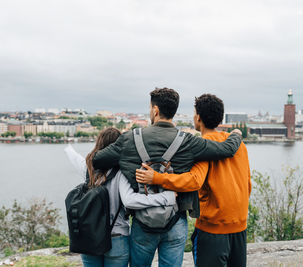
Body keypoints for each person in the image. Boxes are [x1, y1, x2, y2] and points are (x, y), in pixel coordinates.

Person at [92, 88, 243, 267]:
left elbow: (97, 160)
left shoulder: (129, 139)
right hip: (175, 220)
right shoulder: (189, 141)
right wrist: (236, 135)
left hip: (143, 222)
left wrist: (128, 165)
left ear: (155, 110)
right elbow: (226, 150)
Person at [136, 93, 251, 267]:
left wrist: (157, 178)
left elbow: (193, 181)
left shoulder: (203, 146)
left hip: (212, 228)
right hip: (240, 226)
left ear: (198, 117)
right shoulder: (238, 145)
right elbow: (247, 184)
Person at [65, 127, 177, 267]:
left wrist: (68, 148)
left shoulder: (89, 169)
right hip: (116, 238)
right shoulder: (121, 173)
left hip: (90, 238)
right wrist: (167, 197)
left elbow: (75, 158)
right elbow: (130, 201)